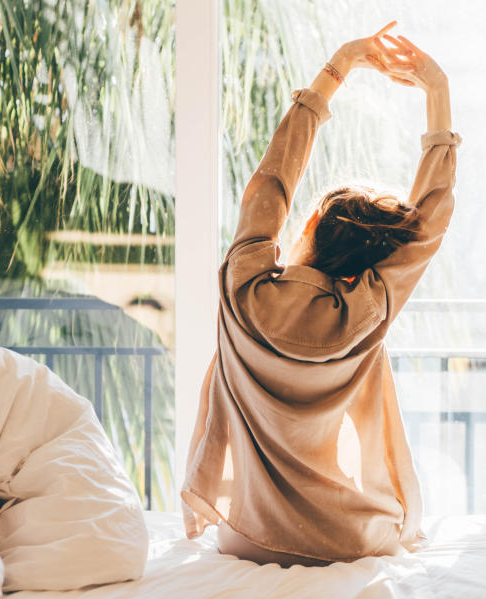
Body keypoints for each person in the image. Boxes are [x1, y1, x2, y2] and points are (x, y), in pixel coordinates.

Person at [181, 22, 462, 567]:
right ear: (369, 261)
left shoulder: (244, 291)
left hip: (245, 534)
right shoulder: (370, 307)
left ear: (308, 219)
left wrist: (334, 73)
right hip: (348, 540)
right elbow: (429, 221)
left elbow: (270, 184)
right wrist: (437, 91)